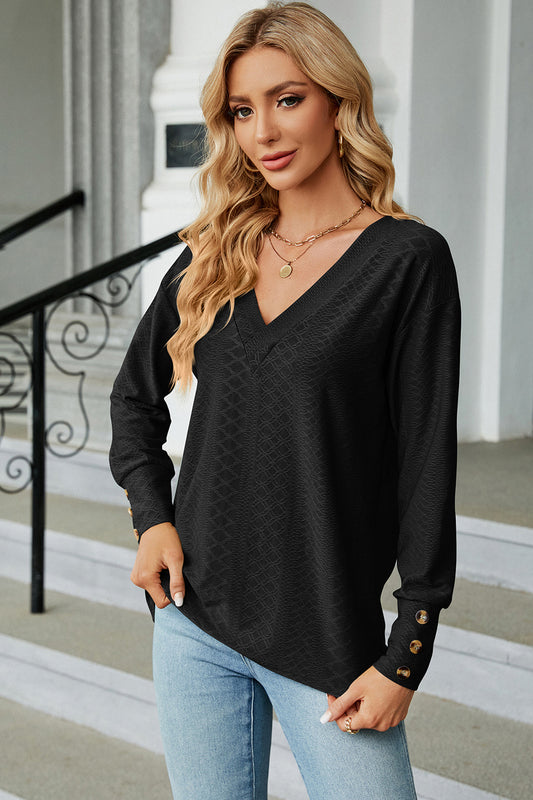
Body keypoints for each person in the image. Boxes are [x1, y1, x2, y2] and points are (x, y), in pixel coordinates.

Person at [109, 2, 461, 798]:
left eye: (287, 99)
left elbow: (424, 465)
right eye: (241, 110)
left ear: (338, 102)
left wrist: (407, 651)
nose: (262, 131)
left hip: (328, 637)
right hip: (194, 621)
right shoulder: (216, 255)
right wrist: (152, 519)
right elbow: (133, 401)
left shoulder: (405, 261)